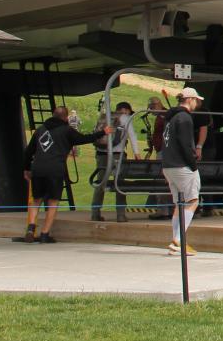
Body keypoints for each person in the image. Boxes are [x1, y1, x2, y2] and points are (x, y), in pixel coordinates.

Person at [21, 104, 101, 243]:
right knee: (53, 201)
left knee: (36, 199)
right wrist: (103, 132)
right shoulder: (66, 131)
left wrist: (27, 169)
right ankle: (45, 233)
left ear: (53, 114)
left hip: (38, 168)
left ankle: (31, 228)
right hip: (55, 169)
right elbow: (84, 139)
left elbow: (28, 152)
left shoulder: (40, 130)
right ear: (65, 117)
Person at [160, 87, 205, 255]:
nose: (197, 103)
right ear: (190, 99)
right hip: (182, 166)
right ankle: (178, 240)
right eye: (196, 100)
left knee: (179, 204)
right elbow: (186, 145)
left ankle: (176, 242)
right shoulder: (185, 118)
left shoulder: (170, 118)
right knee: (192, 201)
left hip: (168, 165)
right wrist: (193, 165)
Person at [90, 101, 138, 223]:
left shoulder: (104, 117)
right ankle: (121, 215)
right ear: (125, 110)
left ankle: (95, 213)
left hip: (101, 154)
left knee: (100, 183)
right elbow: (132, 136)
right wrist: (137, 153)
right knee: (120, 184)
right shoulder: (126, 118)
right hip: (117, 154)